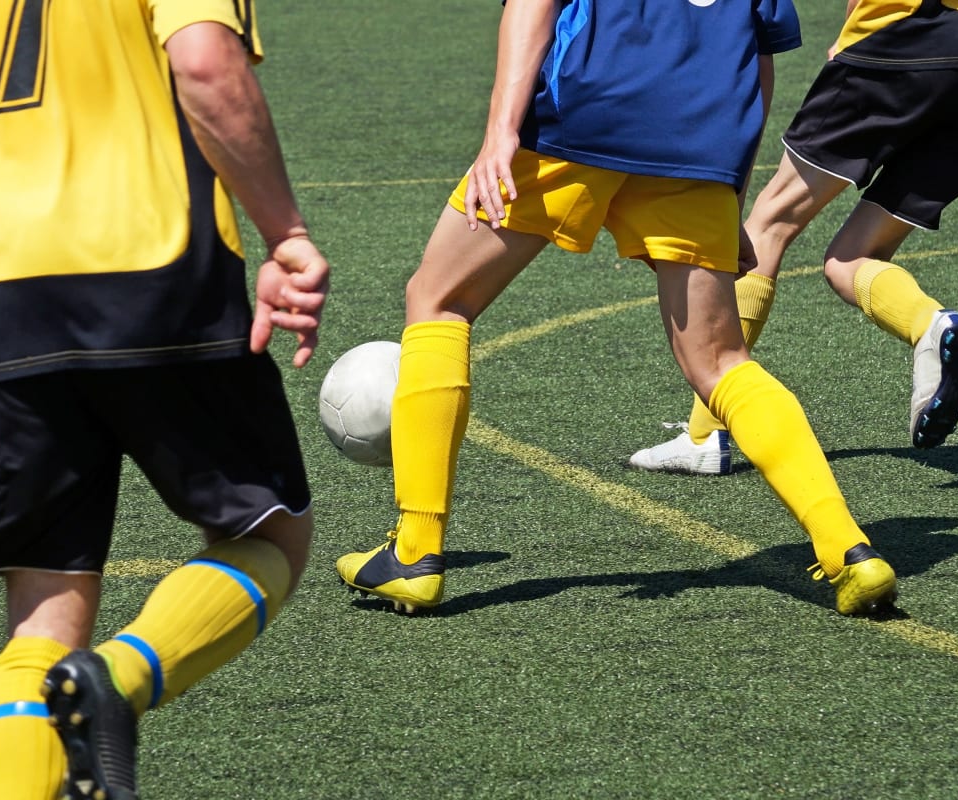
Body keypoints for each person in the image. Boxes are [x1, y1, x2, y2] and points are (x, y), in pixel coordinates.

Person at [0, 2, 329, 798]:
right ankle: (117, 684)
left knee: (42, 610)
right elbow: (203, 64)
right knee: (271, 532)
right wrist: (285, 232)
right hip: (156, 271)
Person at [335, 0, 897, 620]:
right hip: (701, 142)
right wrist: (730, 192)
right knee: (720, 360)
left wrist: (500, 132)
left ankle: (415, 553)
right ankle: (849, 549)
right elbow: (758, 58)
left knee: (439, 302)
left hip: (580, 119)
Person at [630, 0, 958, 475]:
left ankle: (704, 435)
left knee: (768, 225)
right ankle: (929, 324)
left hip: (904, 32)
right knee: (852, 258)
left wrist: (850, 29)